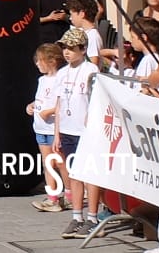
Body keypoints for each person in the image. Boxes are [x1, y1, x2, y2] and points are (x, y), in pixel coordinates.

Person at [51, 26, 99, 239]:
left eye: (71, 48)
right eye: (64, 48)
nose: (67, 52)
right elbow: (59, 104)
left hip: (85, 131)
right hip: (67, 130)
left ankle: (93, 217)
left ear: (83, 49)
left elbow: (96, 100)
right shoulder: (62, 73)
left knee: (89, 173)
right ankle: (77, 216)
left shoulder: (91, 70)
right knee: (74, 173)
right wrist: (57, 133)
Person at [28, 42, 66, 213]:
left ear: (52, 61)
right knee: (47, 162)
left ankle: (70, 194)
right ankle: (52, 197)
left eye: (40, 60)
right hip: (41, 128)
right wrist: (32, 106)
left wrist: (49, 112)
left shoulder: (60, 78)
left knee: (60, 162)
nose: (37, 63)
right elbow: (41, 99)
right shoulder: (42, 80)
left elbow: (61, 102)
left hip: (53, 128)